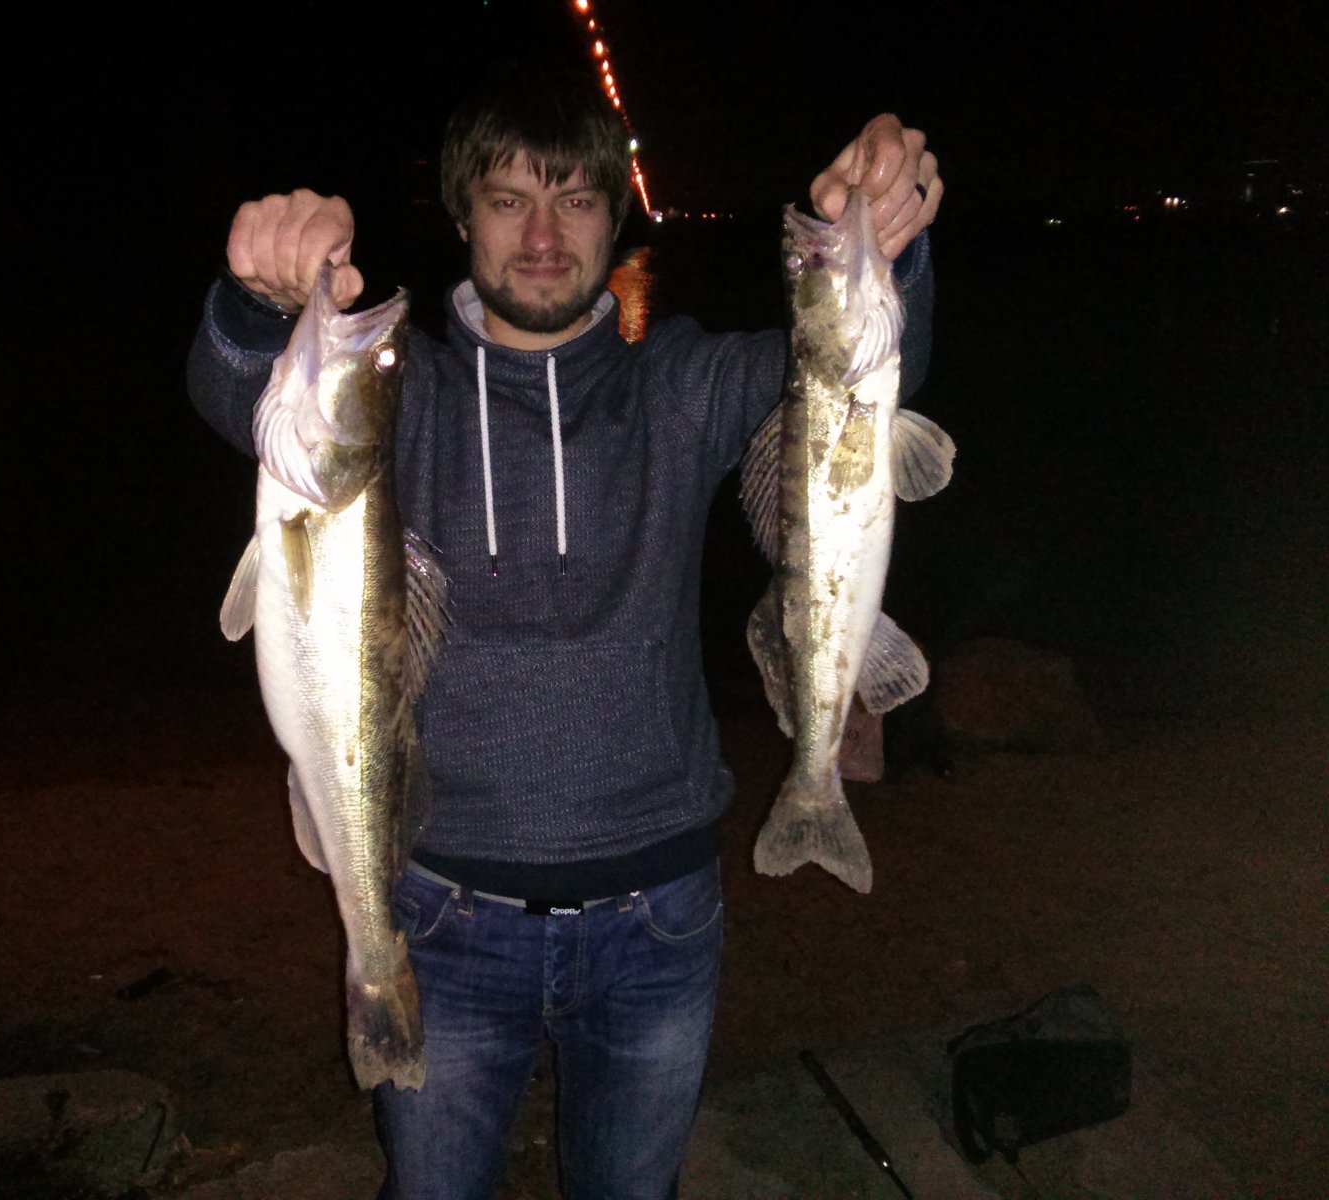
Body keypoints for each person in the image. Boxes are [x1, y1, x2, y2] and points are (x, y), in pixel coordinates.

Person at [187, 69, 941, 1200]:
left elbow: (858, 376)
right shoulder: (398, 391)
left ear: (614, 218)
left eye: (576, 200)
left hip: (660, 921)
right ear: (462, 218)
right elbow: (236, 394)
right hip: (440, 912)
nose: (542, 237)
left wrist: (887, 250)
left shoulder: (679, 382)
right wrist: (256, 300)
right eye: (508, 200)